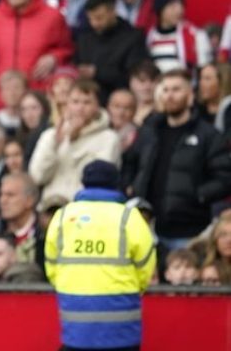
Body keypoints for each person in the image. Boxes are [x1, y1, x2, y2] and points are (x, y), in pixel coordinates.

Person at [45, 160, 156, 351]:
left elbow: (52, 266)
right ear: (116, 183)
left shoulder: (62, 216)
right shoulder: (130, 217)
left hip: (76, 330)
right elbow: (146, 267)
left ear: (84, 183)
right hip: (122, 331)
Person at [131, 70, 231, 252]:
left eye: (176, 89)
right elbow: (130, 162)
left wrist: (198, 195)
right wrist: (131, 188)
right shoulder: (150, 131)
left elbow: (225, 176)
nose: (170, 96)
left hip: (190, 233)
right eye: (166, 90)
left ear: (190, 94)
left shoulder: (208, 135)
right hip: (149, 230)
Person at [0, 0, 73, 110]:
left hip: (36, 99)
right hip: (0, 99)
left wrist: (54, 58)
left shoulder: (52, 16)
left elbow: (67, 48)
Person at [29, 80, 121, 202]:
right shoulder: (50, 135)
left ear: (97, 106)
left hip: (87, 207)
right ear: (67, 105)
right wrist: (55, 143)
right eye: (75, 102)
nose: (80, 107)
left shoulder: (109, 138)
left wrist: (75, 140)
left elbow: (100, 178)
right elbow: (37, 176)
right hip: (52, 208)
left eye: (87, 102)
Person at [75, 0, 149, 104]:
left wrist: (98, 73)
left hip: (121, 100)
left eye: (99, 18)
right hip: (88, 101)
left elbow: (133, 77)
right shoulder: (85, 38)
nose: (95, 23)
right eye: (91, 19)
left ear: (113, 11)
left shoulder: (132, 37)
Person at [146, 0, 212, 74]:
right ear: (160, 10)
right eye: (172, 6)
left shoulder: (196, 35)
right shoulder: (150, 36)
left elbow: (204, 69)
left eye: (181, 5)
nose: (179, 10)